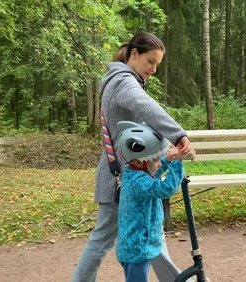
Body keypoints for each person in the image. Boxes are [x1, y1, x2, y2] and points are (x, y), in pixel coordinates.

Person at [71, 32, 196, 282]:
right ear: (134, 54)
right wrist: (178, 135)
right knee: (107, 240)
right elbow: (146, 107)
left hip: (125, 173)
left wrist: (156, 154)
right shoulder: (124, 82)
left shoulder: (119, 80)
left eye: (157, 64)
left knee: (151, 238)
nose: (153, 69)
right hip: (122, 178)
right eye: (151, 61)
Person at [115, 121, 185, 282]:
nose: (159, 162)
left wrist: (166, 160)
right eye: (157, 159)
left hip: (136, 245)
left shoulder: (134, 173)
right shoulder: (139, 181)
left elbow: (152, 173)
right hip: (137, 249)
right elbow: (166, 189)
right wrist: (177, 164)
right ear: (140, 162)